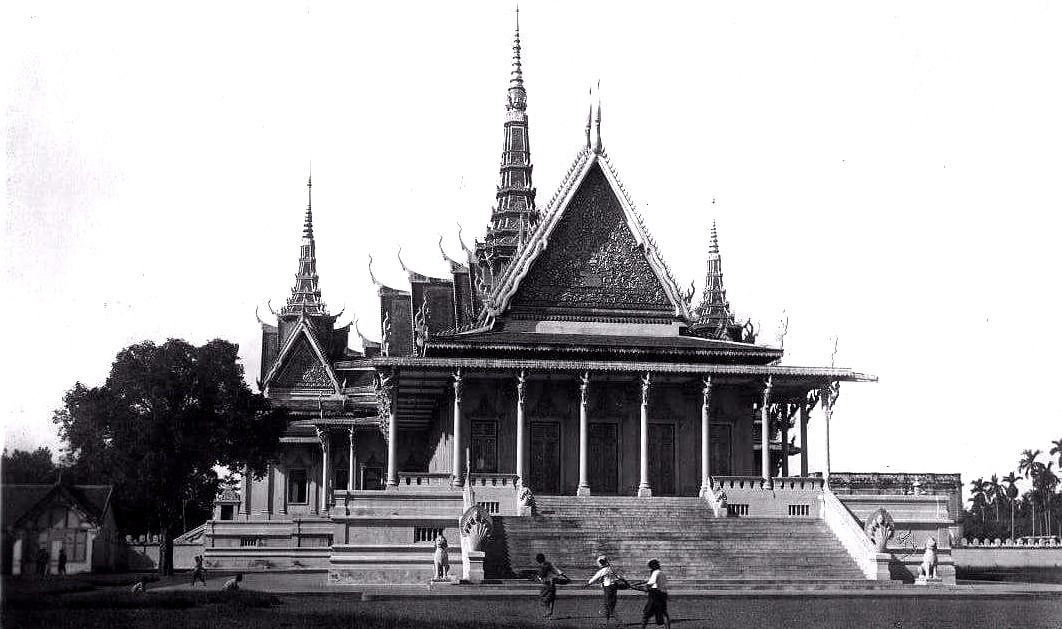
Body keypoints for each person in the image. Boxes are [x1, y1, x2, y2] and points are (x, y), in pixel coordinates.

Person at [635, 559, 670, 629]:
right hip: (663, 595)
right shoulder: (661, 573)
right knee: (662, 613)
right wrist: (640, 583)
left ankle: (643, 627)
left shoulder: (655, 573)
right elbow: (651, 581)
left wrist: (637, 588)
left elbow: (648, 586)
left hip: (655, 596)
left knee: (647, 613)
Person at [587, 555, 621, 622]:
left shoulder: (603, 570)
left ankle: (619, 621)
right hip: (613, 587)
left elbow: (594, 578)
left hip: (608, 588)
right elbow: (618, 576)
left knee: (609, 606)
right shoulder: (610, 568)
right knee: (606, 605)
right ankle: (607, 621)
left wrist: (588, 584)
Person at [535, 553, 570, 619]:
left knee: (542, 597)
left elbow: (541, 577)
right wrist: (565, 577)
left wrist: (538, 578)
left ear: (537, 560)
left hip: (547, 584)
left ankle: (548, 611)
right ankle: (550, 613)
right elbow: (558, 571)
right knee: (551, 598)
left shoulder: (541, 567)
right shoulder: (549, 564)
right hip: (552, 584)